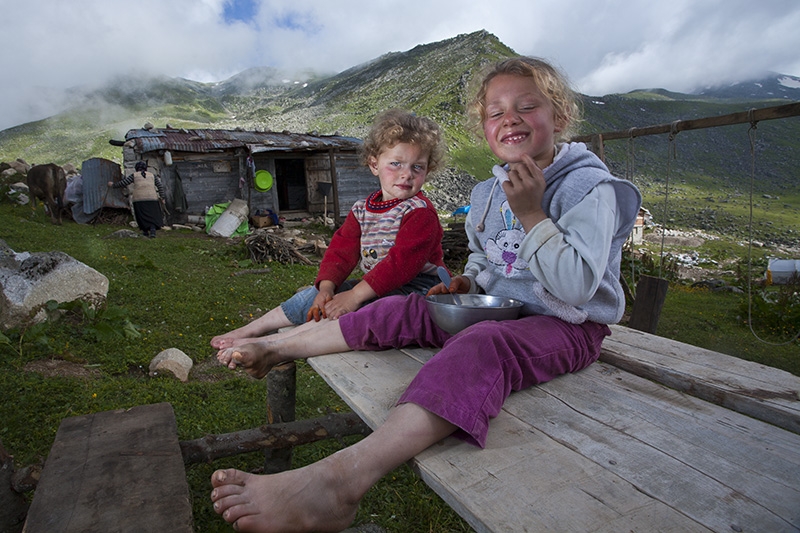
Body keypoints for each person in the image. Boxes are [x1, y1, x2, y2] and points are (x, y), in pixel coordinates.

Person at [209, 57, 642, 533]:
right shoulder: (487, 192)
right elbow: (483, 258)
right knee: (403, 307)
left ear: (558, 117)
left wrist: (533, 215)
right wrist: (467, 283)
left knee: (481, 347)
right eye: (494, 112)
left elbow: (578, 286)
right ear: (484, 129)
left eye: (526, 105)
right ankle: (277, 347)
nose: (509, 118)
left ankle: (339, 484)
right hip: (496, 310)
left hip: (566, 325)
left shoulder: (588, 186)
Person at [211, 109, 447, 351]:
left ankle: (271, 343)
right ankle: (254, 328)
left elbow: (401, 265)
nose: (406, 174)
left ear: (427, 170)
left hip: (419, 289)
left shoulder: (420, 212)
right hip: (376, 284)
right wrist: (327, 287)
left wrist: (355, 296)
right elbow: (341, 251)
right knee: (317, 297)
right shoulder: (362, 209)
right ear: (374, 164)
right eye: (396, 163)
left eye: (417, 167)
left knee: (361, 310)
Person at [107, 161, 165, 238]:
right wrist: (162, 197)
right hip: (152, 198)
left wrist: (113, 185)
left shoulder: (134, 175)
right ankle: (153, 231)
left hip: (139, 198)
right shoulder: (152, 175)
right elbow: (160, 186)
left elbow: (124, 183)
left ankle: (145, 232)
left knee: (142, 215)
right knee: (153, 215)